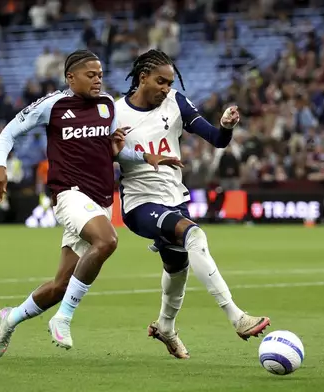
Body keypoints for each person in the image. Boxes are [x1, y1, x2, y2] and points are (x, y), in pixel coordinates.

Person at [0, 50, 181, 356]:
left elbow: (113, 152)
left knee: (60, 286)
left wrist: (144, 156)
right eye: (90, 75)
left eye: (101, 75)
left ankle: (9, 319)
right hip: (69, 193)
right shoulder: (54, 104)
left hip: (100, 199)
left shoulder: (107, 106)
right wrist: (0, 165)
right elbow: (10, 130)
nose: (97, 80)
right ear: (71, 77)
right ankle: (63, 319)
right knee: (107, 241)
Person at [114, 49, 270, 359]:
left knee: (177, 266)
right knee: (194, 235)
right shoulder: (116, 113)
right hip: (139, 202)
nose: (166, 88)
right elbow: (104, 155)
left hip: (175, 197)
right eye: (160, 81)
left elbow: (217, 140)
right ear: (143, 78)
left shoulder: (176, 103)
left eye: (170, 82)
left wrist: (226, 125)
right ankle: (237, 317)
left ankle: (165, 327)